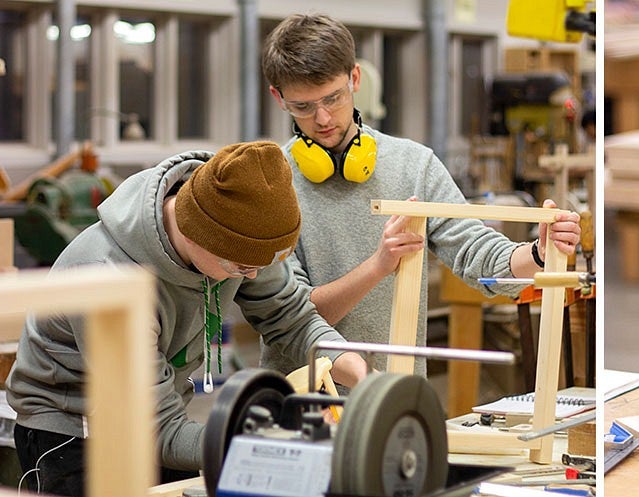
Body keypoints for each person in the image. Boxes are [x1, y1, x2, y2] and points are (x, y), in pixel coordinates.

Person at [5, 141, 370, 496]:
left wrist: (355, 371)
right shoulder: (107, 276)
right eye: (244, 267)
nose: (254, 277)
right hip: (74, 435)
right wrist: (273, 437)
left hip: (159, 415)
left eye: (263, 266)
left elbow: (291, 316)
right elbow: (158, 432)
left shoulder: (239, 230)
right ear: (199, 235)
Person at [259, 14, 582, 376]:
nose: (322, 118)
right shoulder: (270, 185)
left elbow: (477, 255)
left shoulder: (413, 164)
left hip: (396, 399)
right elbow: (291, 319)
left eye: (332, 99)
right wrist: (377, 267)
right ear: (278, 97)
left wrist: (538, 252)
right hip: (299, 405)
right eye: (303, 107)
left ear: (354, 78)